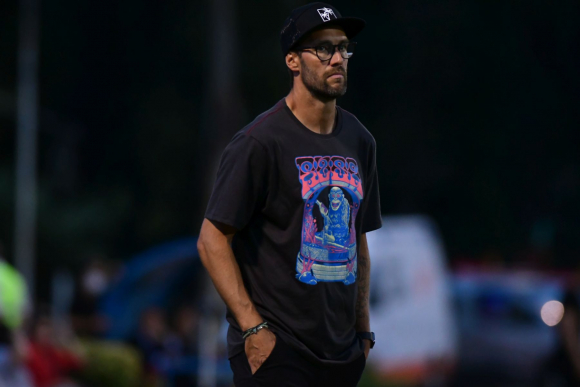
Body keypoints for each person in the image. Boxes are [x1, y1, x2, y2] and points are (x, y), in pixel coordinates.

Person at [197, 2, 382, 386]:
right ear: (293, 62)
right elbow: (212, 240)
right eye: (324, 49)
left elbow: (357, 239)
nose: (337, 59)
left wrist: (362, 332)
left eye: (344, 47)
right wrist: (252, 328)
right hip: (278, 350)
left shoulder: (360, 140)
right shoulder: (259, 142)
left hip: (340, 352)